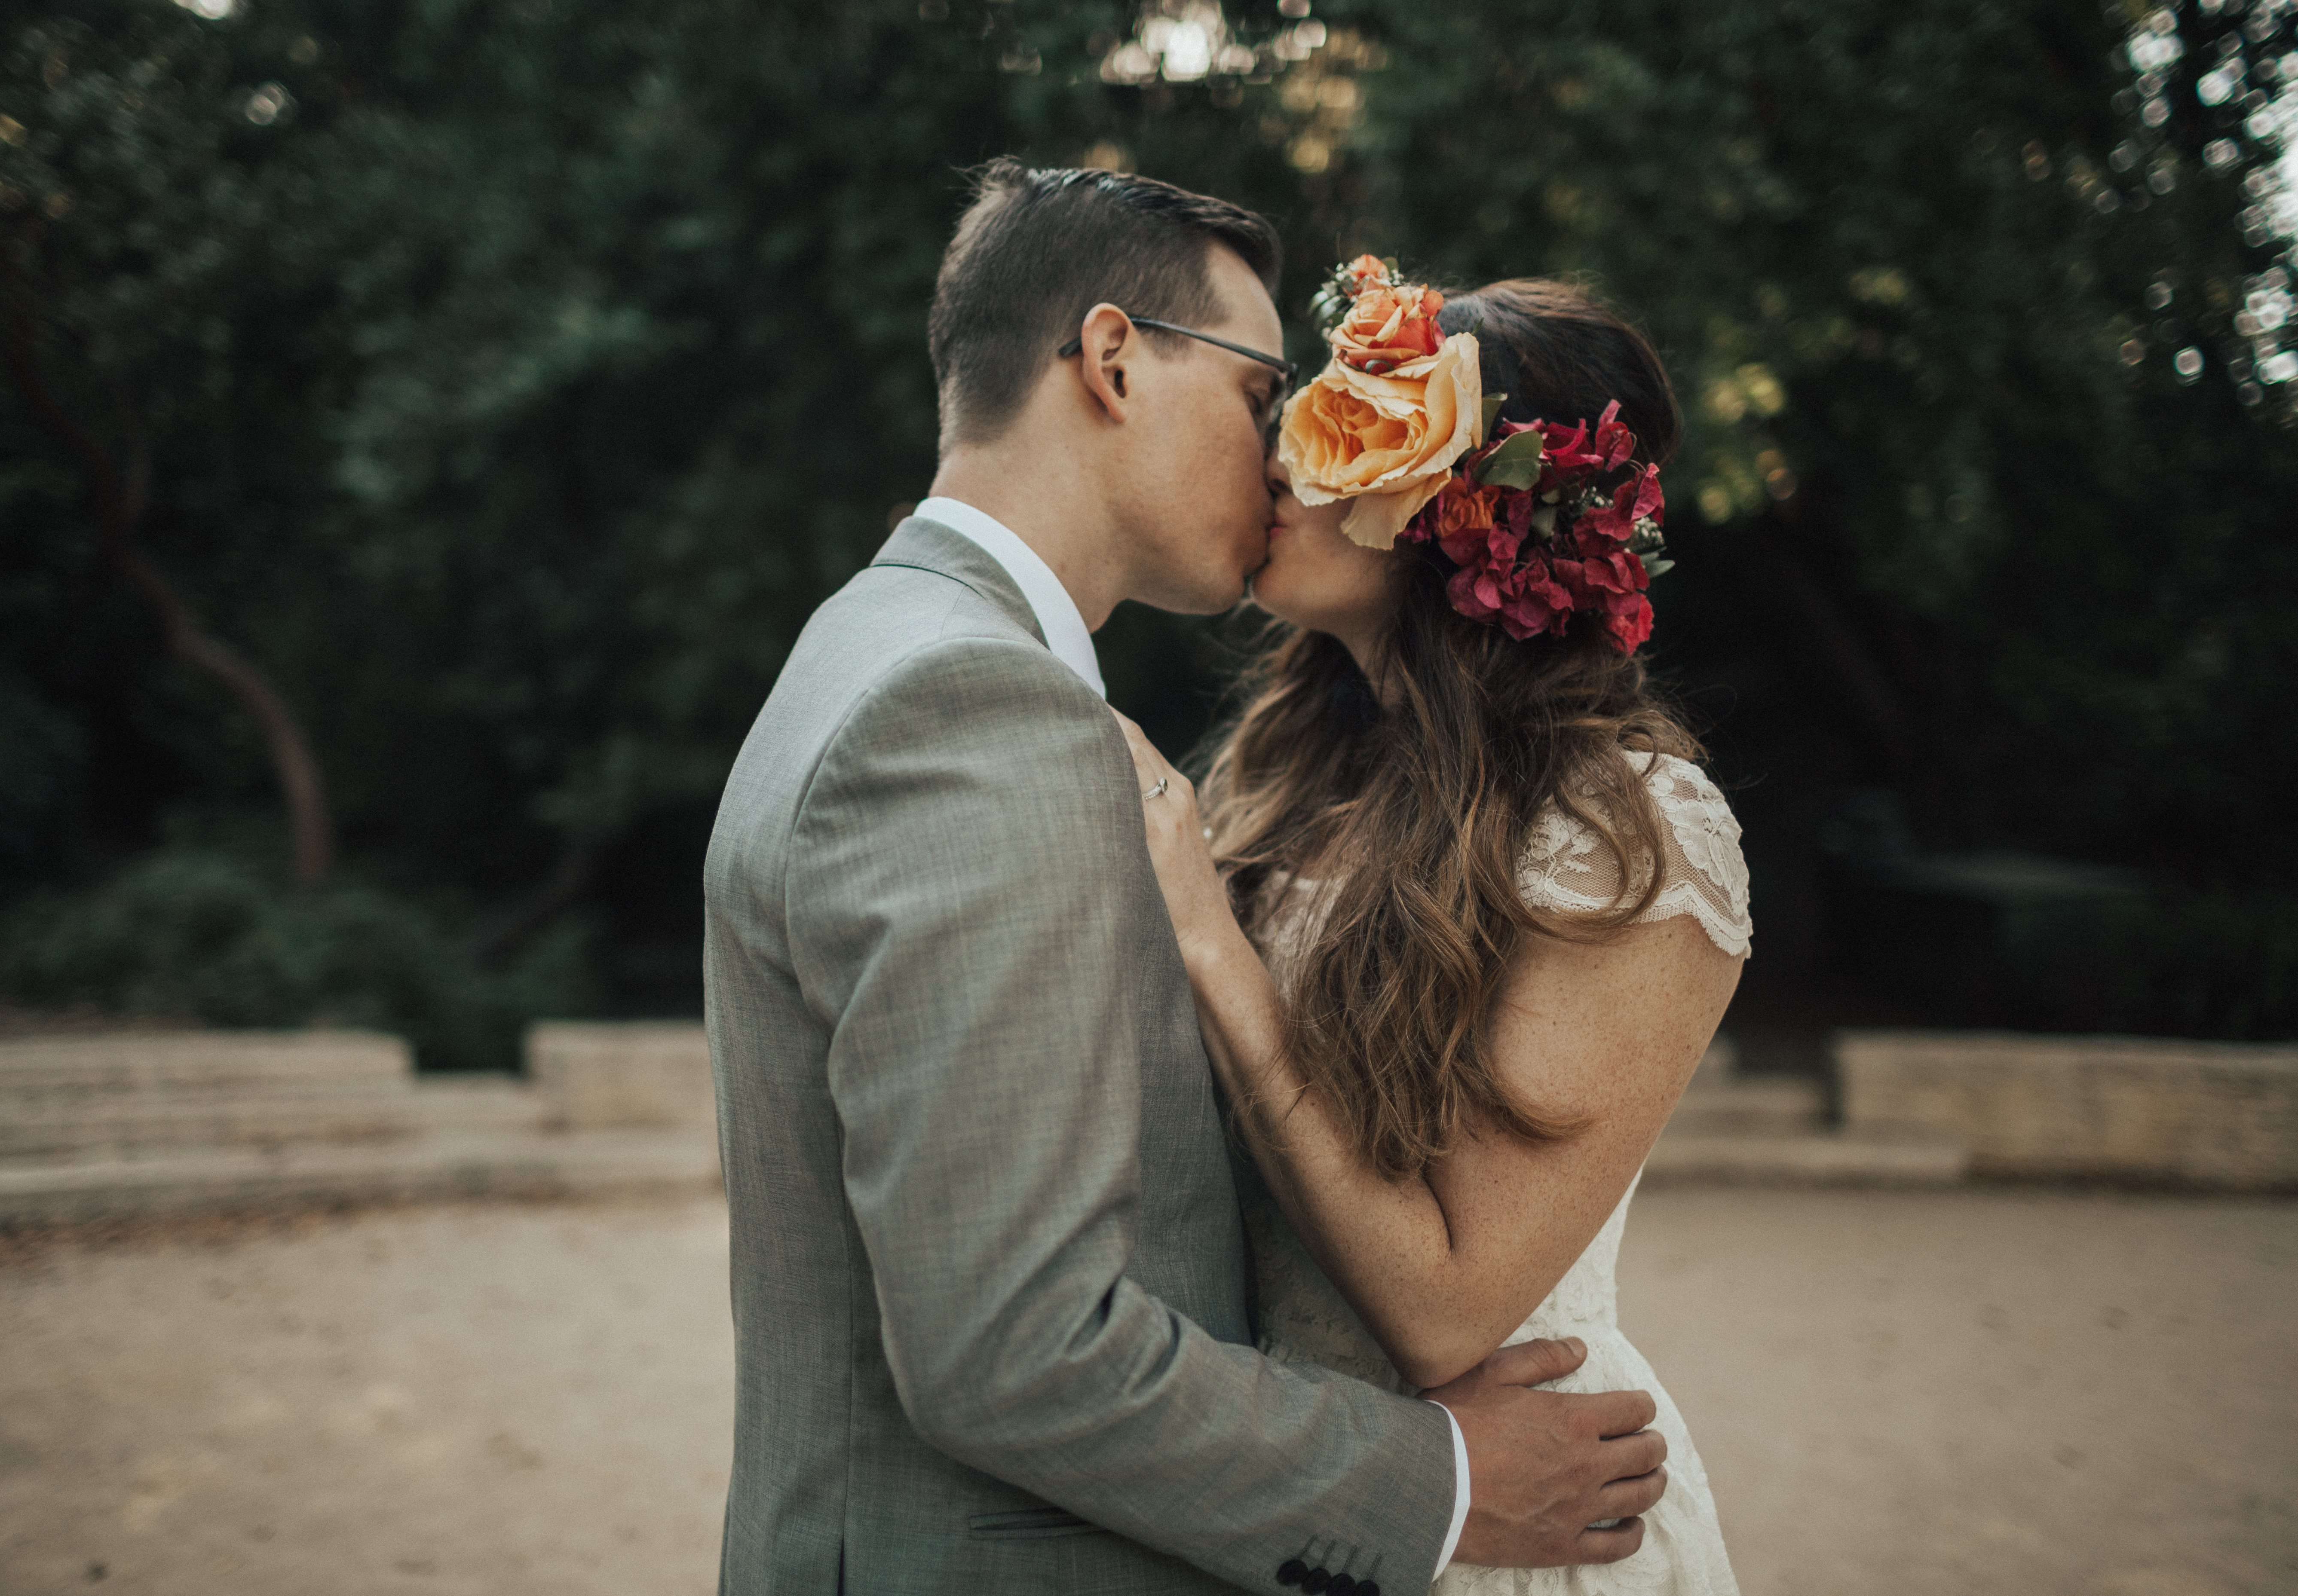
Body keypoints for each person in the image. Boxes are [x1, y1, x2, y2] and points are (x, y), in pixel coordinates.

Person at [704, 166, 1676, 1594]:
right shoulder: (970, 705)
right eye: (1257, 391)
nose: (1286, 452)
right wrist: (1446, 1478)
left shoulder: (877, 643)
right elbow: (1013, 1347)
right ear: (1109, 361)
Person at [1114, 258, 1750, 1594]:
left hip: (1520, 1519)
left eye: (1353, 427)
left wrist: (1206, 939)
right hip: (1282, 1486)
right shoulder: (1281, 766)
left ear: (1466, 518)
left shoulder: (1633, 835)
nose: (1285, 460)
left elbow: (1442, 1307)